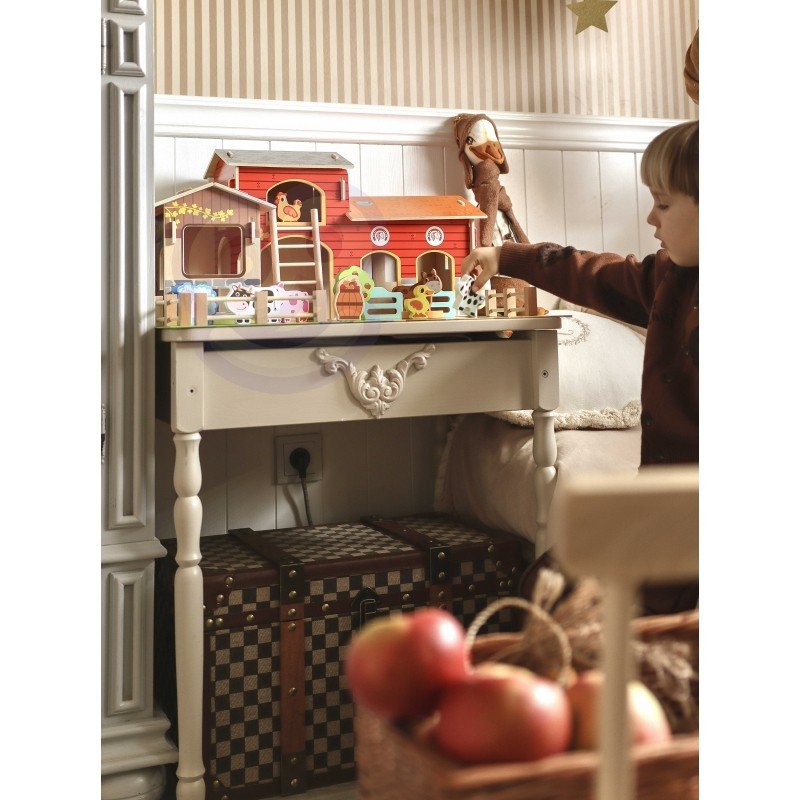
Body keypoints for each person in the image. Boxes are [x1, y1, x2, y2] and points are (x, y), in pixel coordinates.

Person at [462, 120, 699, 614]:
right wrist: (506, 254)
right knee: (547, 583)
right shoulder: (670, 277)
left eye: (663, 204)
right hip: (659, 503)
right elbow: (591, 272)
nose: (651, 219)